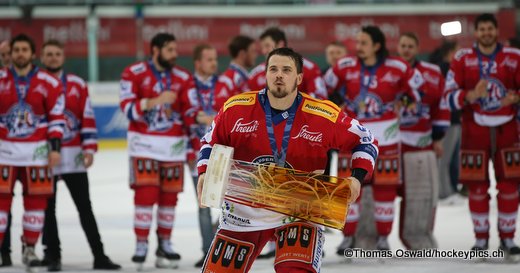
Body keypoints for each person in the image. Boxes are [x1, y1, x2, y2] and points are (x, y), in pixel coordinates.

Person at [196, 47, 376, 273]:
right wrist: (204, 172)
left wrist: (357, 178)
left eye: (286, 70)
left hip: (301, 212)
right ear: (265, 74)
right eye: (273, 69)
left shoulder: (322, 115)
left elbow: (366, 141)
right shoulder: (236, 108)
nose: (279, 75)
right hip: (242, 214)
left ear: (299, 78)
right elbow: (208, 141)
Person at [324, 25, 422, 252]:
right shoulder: (345, 66)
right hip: (353, 137)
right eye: (357, 43)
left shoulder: (397, 67)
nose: (358, 47)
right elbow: (324, 87)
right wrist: (336, 98)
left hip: (386, 136)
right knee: (348, 188)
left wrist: (405, 102)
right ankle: (348, 238)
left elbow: (416, 93)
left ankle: (383, 238)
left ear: (377, 46)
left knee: (385, 190)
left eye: (363, 43)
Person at [39, 39, 121, 272]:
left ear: (63, 57)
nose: (53, 57)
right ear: (42, 58)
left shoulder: (76, 84)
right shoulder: (38, 83)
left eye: (57, 53)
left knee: (85, 207)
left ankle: (99, 255)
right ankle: (52, 256)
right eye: (49, 54)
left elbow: (86, 116)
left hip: (73, 155)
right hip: (46, 157)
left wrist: (89, 147)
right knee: (48, 209)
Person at [444, 13, 520, 260]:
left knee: (510, 186)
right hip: (473, 129)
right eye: (482, 29)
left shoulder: (514, 56)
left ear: (497, 30)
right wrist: (469, 95)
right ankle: (480, 239)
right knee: (476, 188)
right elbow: (447, 96)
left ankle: (508, 239)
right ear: (475, 33)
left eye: (490, 28)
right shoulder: (462, 58)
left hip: (508, 129)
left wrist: (516, 97)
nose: (486, 33)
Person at [119, 32, 198, 269]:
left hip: (173, 148)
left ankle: (165, 243)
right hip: (143, 146)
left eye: (175, 49)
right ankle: (141, 244)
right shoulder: (132, 73)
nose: (175, 55)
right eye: (170, 50)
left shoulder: (183, 77)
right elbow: (127, 108)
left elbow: (189, 112)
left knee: (169, 199)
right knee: (145, 196)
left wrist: (194, 144)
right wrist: (155, 101)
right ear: (155, 50)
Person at [0, 33, 65, 271]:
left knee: (36, 206)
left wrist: (55, 148)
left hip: (37, 155)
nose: (19, 54)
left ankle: (29, 249)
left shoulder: (49, 82)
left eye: (24, 50)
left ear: (32, 54)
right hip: (3, 154)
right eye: (16, 50)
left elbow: (57, 119)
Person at [396, 32, 450, 249]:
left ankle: (417, 238)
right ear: (397, 48)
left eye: (410, 45)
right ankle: (371, 239)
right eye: (403, 45)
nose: (406, 49)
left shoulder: (432, 73)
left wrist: (438, 137)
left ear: (417, 49)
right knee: (378, 193)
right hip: (391, 144)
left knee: (420, 195)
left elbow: (441, 105)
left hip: (420, 142)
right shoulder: (389, 70)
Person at [187, 43, 226, 267]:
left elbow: (226, 117)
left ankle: (217, 241)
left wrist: (206, 118)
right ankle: (207, 250)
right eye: (209, 59)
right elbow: (187, 116)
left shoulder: (223, 84)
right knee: (202, 203)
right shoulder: (187, 85)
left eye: (215, 59)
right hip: (195, 153)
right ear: (198, 63)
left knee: (226, 203)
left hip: (221, 154)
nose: (214, 63)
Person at [248, 27, 327, 100]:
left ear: (280, 44)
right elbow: (249, 102)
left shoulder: (309, 68)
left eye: (267, 46)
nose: (264, 51)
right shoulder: (255, 74)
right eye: (262, 47)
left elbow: (320, 97)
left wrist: (291, 106)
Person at [0, 40, 13, 268]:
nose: (8, 57)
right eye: (3, 54)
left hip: (31, 153)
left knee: (40, 206)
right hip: (3, 154)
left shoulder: (37, 80)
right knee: (3, 206)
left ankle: (47, 251)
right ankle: (5, 252)